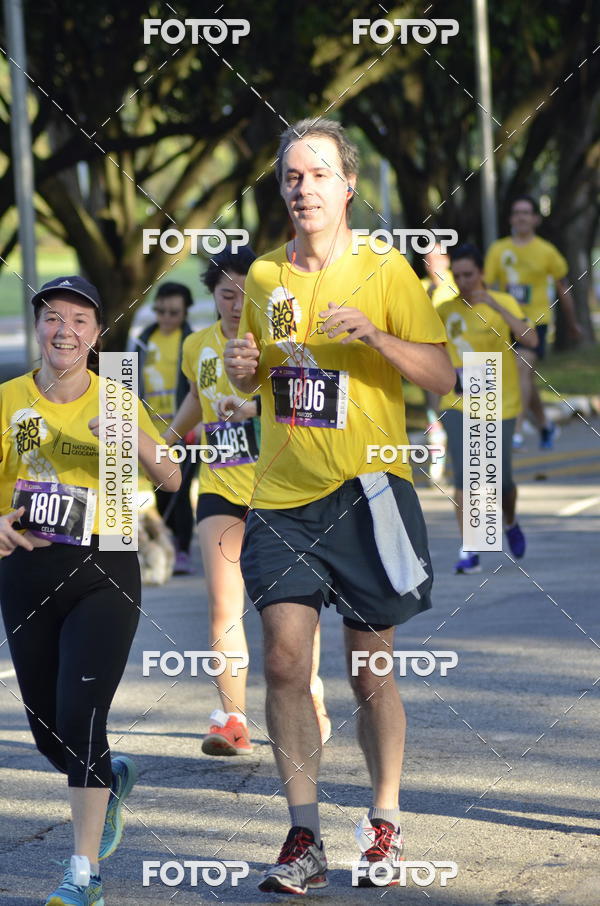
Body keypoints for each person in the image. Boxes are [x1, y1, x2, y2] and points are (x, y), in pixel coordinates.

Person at [224, 118, 455, 893]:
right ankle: (304, 836)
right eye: (292, 176)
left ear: (348, 186)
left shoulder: (386, 271)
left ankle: (383, 819)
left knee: (369, 673)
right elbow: (256, 381)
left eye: (319, 174)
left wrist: (376, 339)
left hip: (368, 494)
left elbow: (443, 376)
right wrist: (243, 367)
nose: (303, 188)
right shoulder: (263, 278)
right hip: (282, 498)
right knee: (286, 661)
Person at [0, 276, 181, 906]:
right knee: (49, 729)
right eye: (53, 317)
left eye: (80, 320)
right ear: (38, 328)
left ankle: (83, 876)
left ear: (96, 336)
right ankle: (110, 775)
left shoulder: (116, 401)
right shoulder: (7, 401)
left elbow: (173, 475)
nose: (65, 330)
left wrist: (128, 441)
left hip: (105, 567)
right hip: (26, 572)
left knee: (80, 716)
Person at [163, 248, 331, 758]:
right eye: (226, 294)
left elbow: (307, 396)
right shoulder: (197, 345)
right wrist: (168, 438)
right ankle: (231, 718)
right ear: (212, 295)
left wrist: (255, 406)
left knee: (293, 611)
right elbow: (196, 396)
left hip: (281, 488)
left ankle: (311, 700)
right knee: (223, 606)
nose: (237, 304)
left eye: (246, 294)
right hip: (220, 487)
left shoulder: (280, 339)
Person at [436, 244, 538, 573]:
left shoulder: (503, 302)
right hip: (457, 400)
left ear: (481, 273)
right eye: (458, 275)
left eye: (470, 274)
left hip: (498, 401)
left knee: (501, 481)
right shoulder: (443, 308)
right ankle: (469, 549)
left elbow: (531, 340)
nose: (464, 281)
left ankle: (509, 522)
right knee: (466, 475)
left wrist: (494, 303)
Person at [484, 195, 582, 449]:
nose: (521, 217)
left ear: (536, 219)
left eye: (526, 212)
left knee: (522, 368)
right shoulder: (498, 250)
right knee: (523, 375)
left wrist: (572, 323)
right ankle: (545, 424)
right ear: (510, 219)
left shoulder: (547, 251)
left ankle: (515, 431)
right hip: (507, 321)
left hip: (536, 321)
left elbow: (563, 289)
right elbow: (486, 287)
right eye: (516, 212)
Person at [133, 281, 196, 574]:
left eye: (173, 312)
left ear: (185, 313)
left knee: (180, 491)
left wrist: (193, 423)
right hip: (152, 430)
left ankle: (182, 547)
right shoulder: (144, 340)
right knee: (161, 491)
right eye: (160, 311)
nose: (166, 318)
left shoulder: (192, 342)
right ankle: (168, 539)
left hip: (185, 429)